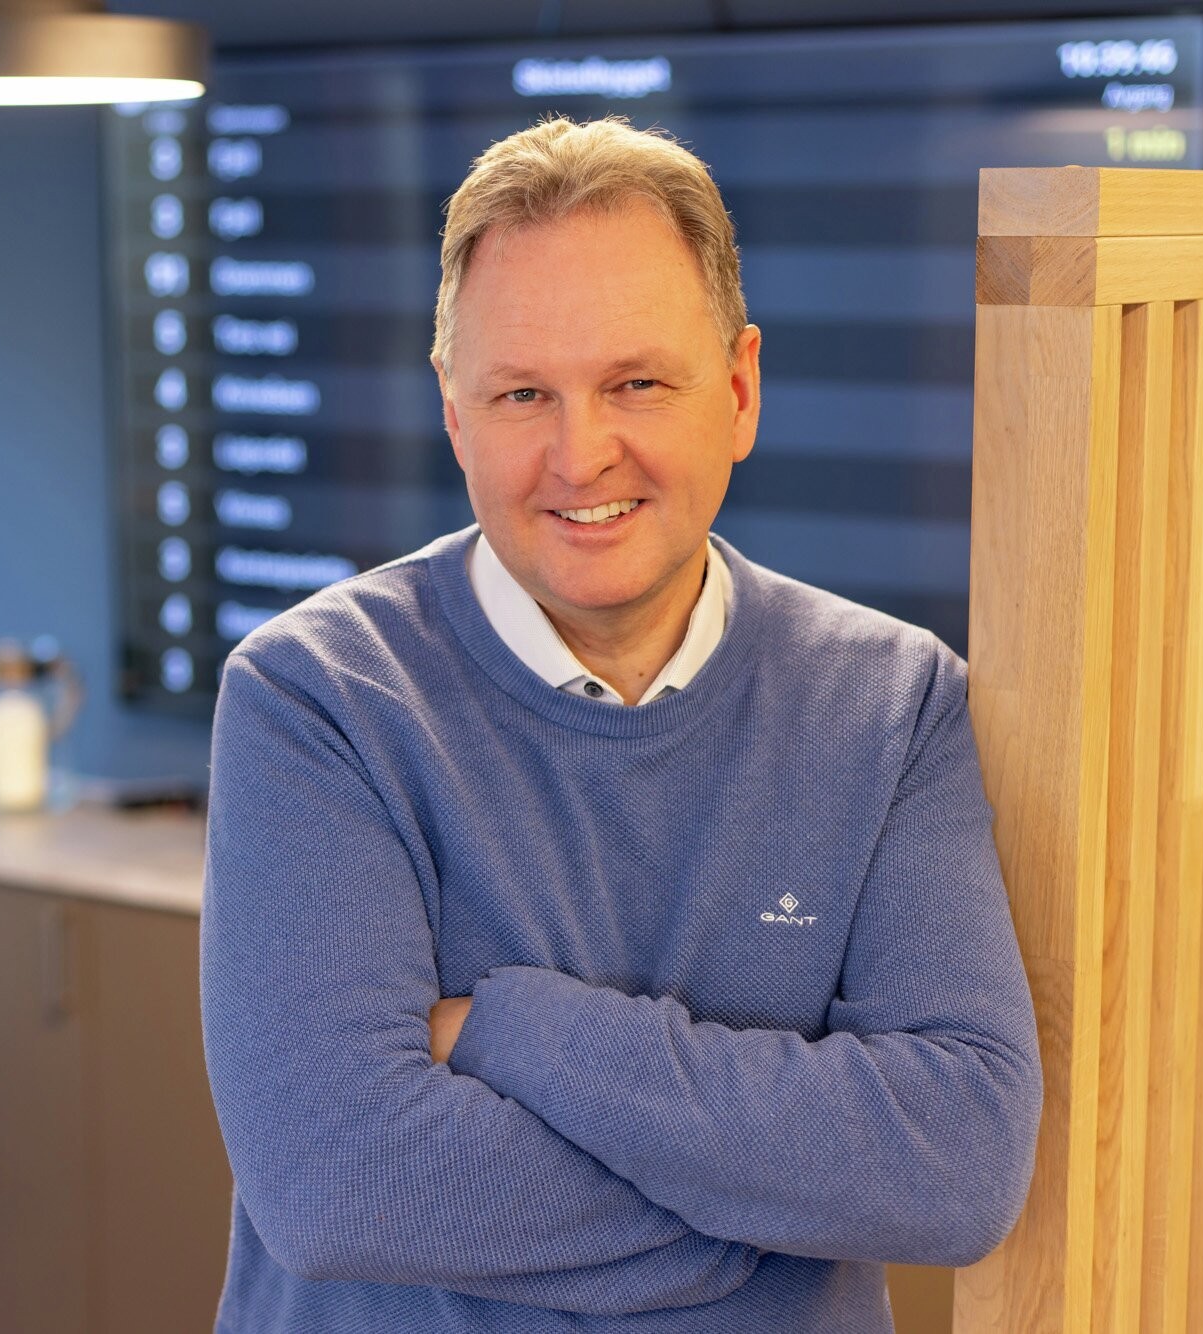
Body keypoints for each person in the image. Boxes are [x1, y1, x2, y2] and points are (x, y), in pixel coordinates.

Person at [198, 114, 1041, 1332]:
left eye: (635, 383)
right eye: (520, 393)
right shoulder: (316, 695)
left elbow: (952, 1163)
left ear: (738, 390)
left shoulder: (891, 702)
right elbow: (345, 1180)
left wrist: (516, 1027)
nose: (579, 453)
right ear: (454, 413)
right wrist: (769, 1212)